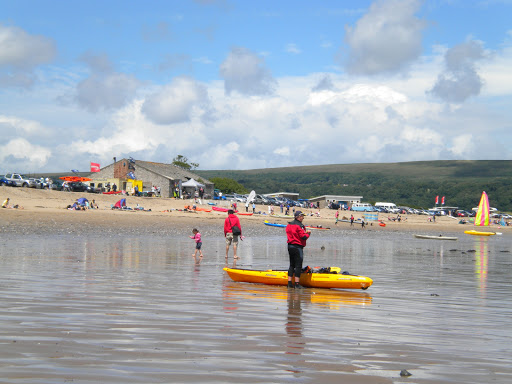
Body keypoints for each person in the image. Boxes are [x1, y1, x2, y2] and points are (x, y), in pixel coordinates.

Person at [286, 211, 311, 289]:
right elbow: (303, 237)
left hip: (290, 246)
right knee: (298, 265)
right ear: (298, 217)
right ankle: (297, 284)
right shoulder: (299, 226)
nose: (303, 218)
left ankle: (289, 283)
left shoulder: (289, 225)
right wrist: (308, 233)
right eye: (302, 216)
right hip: (297, 246)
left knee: (291, 264)